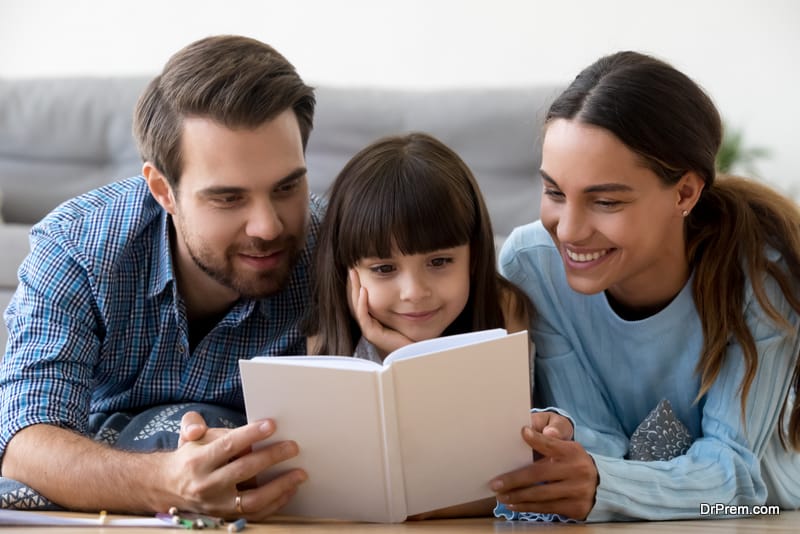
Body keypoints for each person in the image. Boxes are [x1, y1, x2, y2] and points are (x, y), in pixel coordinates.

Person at [0, 35, 322, 520]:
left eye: (287, 187)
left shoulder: (340, 248)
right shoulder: (78, 248)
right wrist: (167, 481)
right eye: (228, 198)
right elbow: (24, 443)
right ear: (163, 191)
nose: (268, 227)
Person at [491, 50, 800, 522]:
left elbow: (736, 476)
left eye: (606, 201)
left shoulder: (759, 276)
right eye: (554, 192)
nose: (569, 231)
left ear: (684, 193)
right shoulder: (534, 267)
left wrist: (605, 485)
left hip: (759, 511)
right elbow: (594, 437)